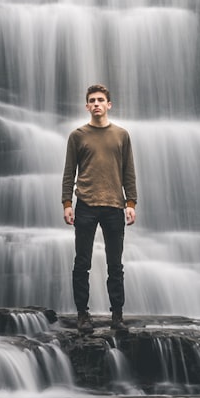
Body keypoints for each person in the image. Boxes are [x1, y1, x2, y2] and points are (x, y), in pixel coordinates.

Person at [62, 84, 137, 334]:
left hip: (114, 205)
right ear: (87, 106)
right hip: (85, 205)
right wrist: (67, 204)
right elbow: (68, 172)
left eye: (100, 100)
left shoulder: (121, 135)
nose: (96, 104)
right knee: (82, 263)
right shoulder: (77, 136)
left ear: (108, 105)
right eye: (92, 100)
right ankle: (83, 315)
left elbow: (128, 171)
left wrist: (131, 203)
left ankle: (117, 315)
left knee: (115, 265)